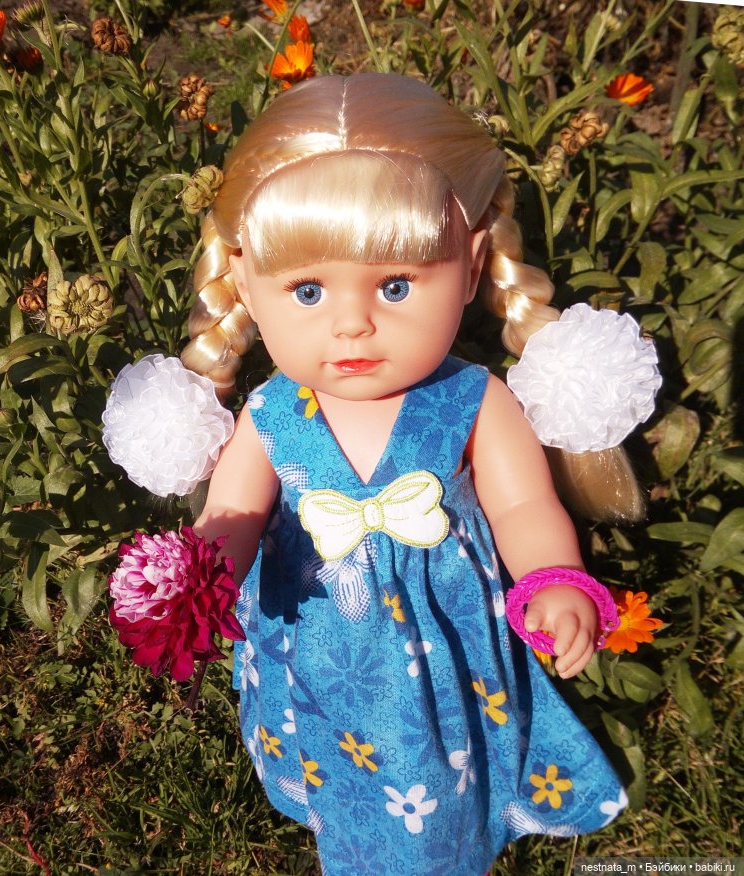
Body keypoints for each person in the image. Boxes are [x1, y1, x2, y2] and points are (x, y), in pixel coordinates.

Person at [183, 72, 629, 875]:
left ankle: (452, 831)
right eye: (308, 291)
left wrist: (554, 577)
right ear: (246, 286)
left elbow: (523, 505)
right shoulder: (271, 412)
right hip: (313, 638)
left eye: (395, 286)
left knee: (446, 748)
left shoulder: (473, 399)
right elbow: (233, 515)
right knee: (327, 745)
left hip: (445, 638)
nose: (353, 324)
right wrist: (196, 585)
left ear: (471, 266)